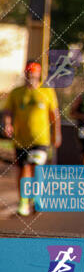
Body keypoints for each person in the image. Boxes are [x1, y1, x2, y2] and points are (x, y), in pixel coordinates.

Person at [3, 61, 61, 216]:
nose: (31, 75)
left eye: (34, 71)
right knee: (23, 169)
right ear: (25, 73)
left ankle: (37, 197)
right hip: (21, 139)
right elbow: (7, 111)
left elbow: (54, 115)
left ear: (38, 73)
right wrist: (8, 124)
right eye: (28, 72)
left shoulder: (47, 91)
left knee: (36, 166)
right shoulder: (16, 92)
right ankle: (23, 201)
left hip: (41, 139)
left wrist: (57, 134)